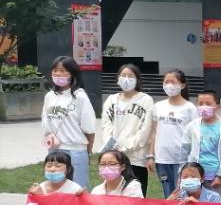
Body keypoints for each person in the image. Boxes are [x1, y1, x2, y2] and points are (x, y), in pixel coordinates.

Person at [98, 63, 155, 196]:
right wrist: (113, 147)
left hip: (136, 158)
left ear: (137, 79)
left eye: (130, 76)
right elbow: (106, 125)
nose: (126, 79)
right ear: (118, 78)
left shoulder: (146, 100)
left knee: (136, 195)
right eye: (123, 75)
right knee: (113, 195)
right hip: (114, 159)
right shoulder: (111, 100)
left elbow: (146, 130)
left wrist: (125, 147)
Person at [41, 56, 96, 188]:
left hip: (75, 150)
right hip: (54, 149)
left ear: (72, 73)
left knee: (77, 188)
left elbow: (89, 128)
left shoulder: (80, 96)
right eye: (55, 70)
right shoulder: (50, 96)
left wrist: (87, 152)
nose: (57, 74)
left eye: (62, 70)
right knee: (56, 186)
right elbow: (45, 123)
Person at [147, 69, 197, 198]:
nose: (169, 85)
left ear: (182, 85)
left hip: (181, 159)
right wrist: (150, 156)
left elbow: (195, 135)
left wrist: (192, 159)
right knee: (167, 192)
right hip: (162, 159)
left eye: (173, 82)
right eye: (166, 82)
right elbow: (154, 132)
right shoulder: (158, 106)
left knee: (181, 192)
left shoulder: (190, 108)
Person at [183, 90, 221, 199]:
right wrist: (184, 173)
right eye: (200, 104)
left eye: (208, 104)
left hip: (215, 178)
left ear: (217, 107)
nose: (203, 107)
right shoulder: (191, 127)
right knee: (194, 204)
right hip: (194, 177)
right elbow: (184, 151)